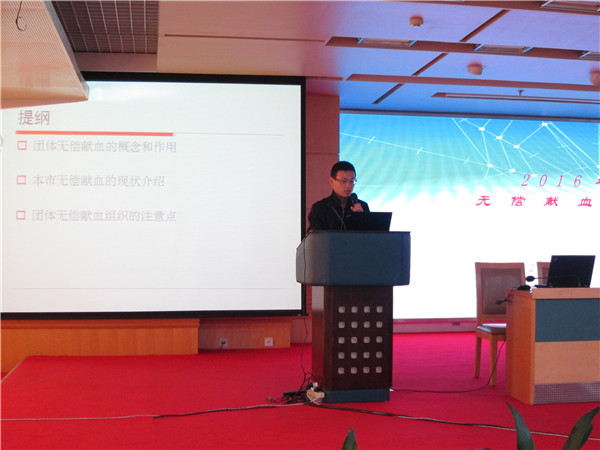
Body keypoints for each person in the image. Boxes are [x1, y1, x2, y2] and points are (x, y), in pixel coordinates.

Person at [308, 161, 370, 231]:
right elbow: (314, 235)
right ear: (332, 181)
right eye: (344, 181)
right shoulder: (320, 208)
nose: (348, 186)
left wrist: (362, 217)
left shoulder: (363, 206)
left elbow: (371, 235)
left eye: (352, 181)